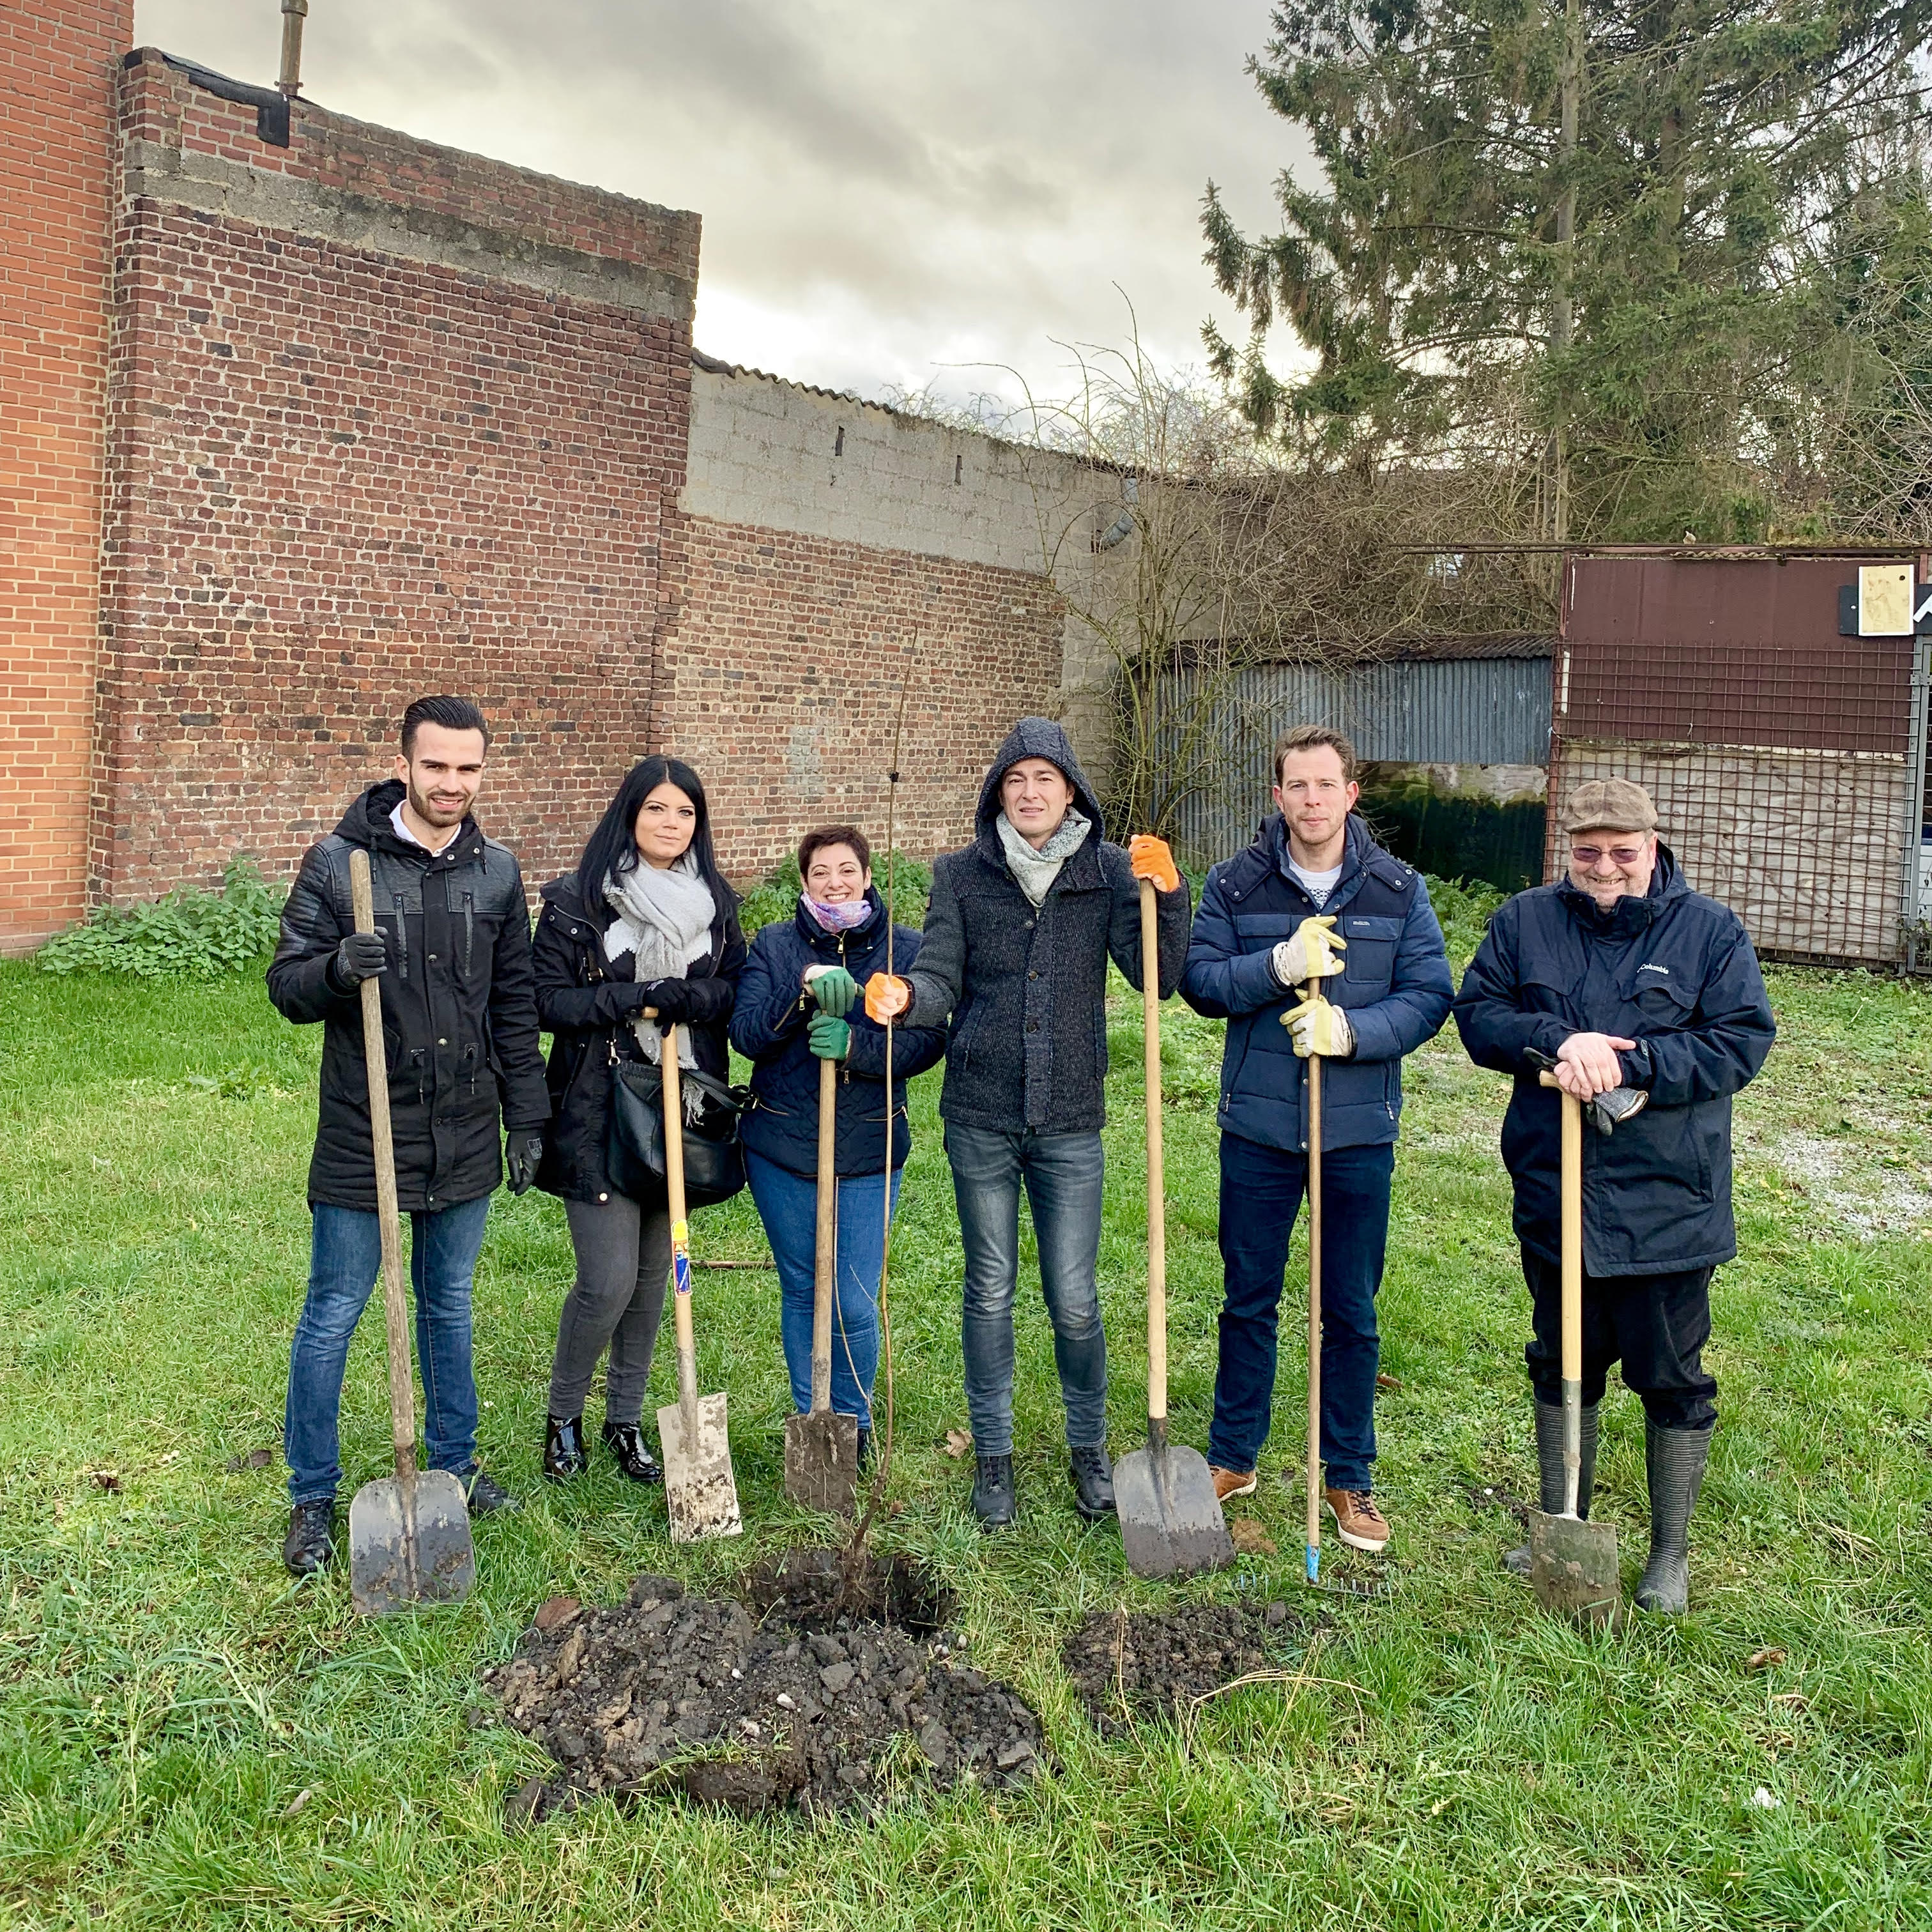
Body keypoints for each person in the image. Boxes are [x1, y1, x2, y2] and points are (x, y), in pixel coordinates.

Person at [1453, 777, 1775, 1613]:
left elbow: (1740, 1043)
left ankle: (1670, 1553)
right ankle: (1563, 1518)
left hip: (1669, 1202)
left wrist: (1629, 1064)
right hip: (1556, 1191)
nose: (1604, 868)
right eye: (1588, 852)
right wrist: (1559, 1039)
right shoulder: (1525, 921)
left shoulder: (1708, 931)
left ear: (1652, 846)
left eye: (1622, 854)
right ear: (1569, 849)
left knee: (1671, 1377)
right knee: (1563, 1361)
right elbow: (1479, 1016)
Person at [865, 717, 1190, 1529]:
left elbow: (1160, 979)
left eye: (1046, 780)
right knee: (990, 1289)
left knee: (1075, 1298)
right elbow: (940, 973)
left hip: (1072, 1116)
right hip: (981, 1112)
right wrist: (909, 997)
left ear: (1071, 791)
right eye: (1017, 782)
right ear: (997, 796)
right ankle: (996, 1460)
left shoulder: (1109, 874)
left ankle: (1089, 1453)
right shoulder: (961, 876)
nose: (1031, 794)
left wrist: (1171, 899)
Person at [267, 695, 549, 1577]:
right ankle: (313, 1496)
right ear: (405, 762)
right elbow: (285, 986)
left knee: (449, 1303)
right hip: (366, 1128)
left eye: (469, 769)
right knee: (335, 1310)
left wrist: (527, 1116)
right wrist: (333, 970)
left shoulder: (496, 874)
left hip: (463, 1127)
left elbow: (514, 1006)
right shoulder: (338, 862)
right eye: (437, 767)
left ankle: (455, 1464)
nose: (453, 785)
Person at [1179, 723, 1453, 1554]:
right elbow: (1199, 982)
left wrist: (1352, 1032)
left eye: (1324, 785)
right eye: (1296, 786)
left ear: (1350, 794)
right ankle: (1234, 1456)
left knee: (1351, 1310)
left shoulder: (1398, 891)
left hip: (1356, 1133)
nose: (1311, 800)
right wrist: (1277, 967)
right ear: (1277, 796)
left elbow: (1430, 994)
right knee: (1248, 1300)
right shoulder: (1233, 886)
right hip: (1260, 1129)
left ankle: (1347, 1474)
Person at [530, 756, 746, 1485]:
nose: (671, 824)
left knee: (657, 1280)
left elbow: (733, 992)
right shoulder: (579, 902)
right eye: (656, 809)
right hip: (596, 1111)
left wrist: (687, 999)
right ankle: (563, 1418)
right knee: (608, 1280)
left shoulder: (716, 903)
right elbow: (547, 1002)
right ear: (630, 813)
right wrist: (633, 999)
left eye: (684, 813)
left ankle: (625, 1423)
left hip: (676, 1113)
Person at [730, 825, 947, 1457]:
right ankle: (814, 1420)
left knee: (852, 1301)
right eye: (821, 872)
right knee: (802, 1287)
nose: (835, 882)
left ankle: (853, 1424)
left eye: (846, 869)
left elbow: (928, 1039)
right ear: (803, 881)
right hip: (781, 1146)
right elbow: (747, 1035)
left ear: (868, 875)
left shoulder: (903, 950)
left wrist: (857, 1045)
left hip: (868, 1149)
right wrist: (801, 998)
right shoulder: (774, 945)